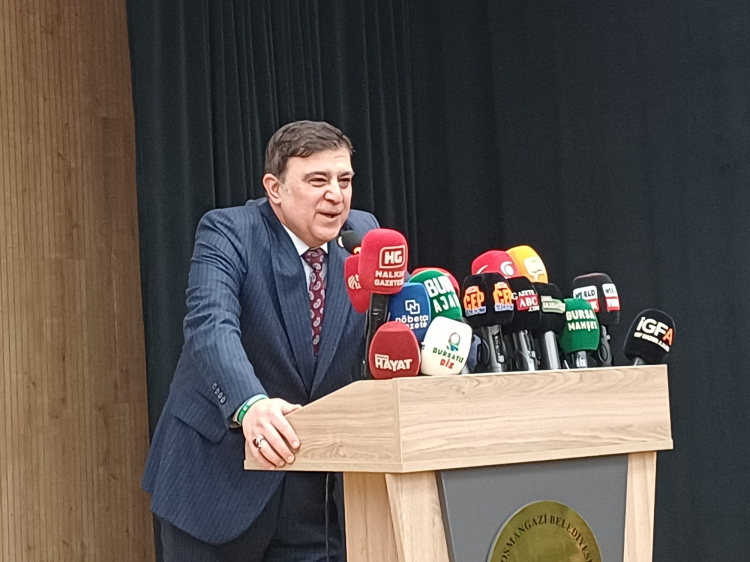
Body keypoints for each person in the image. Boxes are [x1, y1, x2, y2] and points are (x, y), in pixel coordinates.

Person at [142, 120, 379, 561]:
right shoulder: (230, 231)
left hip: (317, 500)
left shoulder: (364, 235)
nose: (336, 195)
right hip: (217, 486)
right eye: (318, 181)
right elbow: (211, 326)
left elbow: (391, 325)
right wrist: (249, 404)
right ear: (275, 189)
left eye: (344, 180)